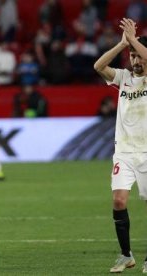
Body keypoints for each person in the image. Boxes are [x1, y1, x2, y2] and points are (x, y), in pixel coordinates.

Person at [94, 19, 147, 273]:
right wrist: (123, 43)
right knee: (118, 200)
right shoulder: (124, 78)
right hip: (124, 152)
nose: (135, 60)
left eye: (139, 56)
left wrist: (135, 40)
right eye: (132, 56)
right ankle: (126, 255)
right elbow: (99, 65)